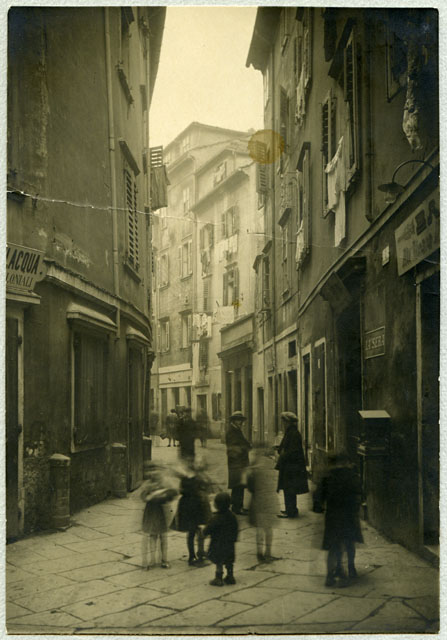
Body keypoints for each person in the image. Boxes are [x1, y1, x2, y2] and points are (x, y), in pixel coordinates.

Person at [313, 452, 363, 587]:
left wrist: (320, 507)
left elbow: (317, 499)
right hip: (349, 515)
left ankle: (330, 576)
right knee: (349, 543)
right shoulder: (351, 476)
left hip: (333, 516)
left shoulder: (327, 477)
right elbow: (359, 493)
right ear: (345, 462)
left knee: (333, 546)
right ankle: (350, 568)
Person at [171, 459, 212, 565]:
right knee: (193, 531)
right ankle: (193, 555)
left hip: (195, 506)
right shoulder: (192, 478)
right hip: (191, 507)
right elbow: (183, 490)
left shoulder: (198, 477)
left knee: (197, 531)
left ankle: (198, 553)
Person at [140, 464, 178, 570]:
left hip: (163, 511)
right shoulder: (148, 484)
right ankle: (152, 559)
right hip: (152, 511)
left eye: (157, 470)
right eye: (152, 471)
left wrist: (164, 495)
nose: (155, 473)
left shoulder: (165, 483)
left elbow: (174, 493)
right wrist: (149, 496)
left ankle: (164, 559)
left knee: (163, 536)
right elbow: (143, 496)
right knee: (152, 535)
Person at [246, 445, 280, 562]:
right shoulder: (273, 465)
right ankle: (268, 553)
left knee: (260, 528)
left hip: (258, 500)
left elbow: (250, 487)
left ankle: (259, 553)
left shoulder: (254, 469)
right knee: (269, 528)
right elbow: (277, 484)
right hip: (270, 500)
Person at [275, 412, 309, 518]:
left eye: (284, 422)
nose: (283, 424)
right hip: (289, 466)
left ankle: (291, 511)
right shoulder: (290, 432)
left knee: (289, 489)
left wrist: (283, 455)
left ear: (288, 422)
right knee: (289, 489)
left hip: (292, 467)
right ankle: (291, 509)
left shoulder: (293, 433)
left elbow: (293, 451)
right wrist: (279, 449)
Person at [203, 492, 239, 586]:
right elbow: (235, 529)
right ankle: (230, 576)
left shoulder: (216, 518)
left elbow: (208, 529)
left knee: (219, 561)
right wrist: (234, 539)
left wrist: (204, 532)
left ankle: (218, 578)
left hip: (217, 544)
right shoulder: (232, 516)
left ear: (216, 505)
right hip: (230, 544)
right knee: (229, 561)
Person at [226, 411, 251, 514]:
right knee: (238, 485)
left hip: (238, 462)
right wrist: (246, 447)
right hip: (237, 462)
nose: (240, 422)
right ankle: (237, 507)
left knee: (238, 485)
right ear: (233, 421)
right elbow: (234, 447)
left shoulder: (237, 430)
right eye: (238, 420)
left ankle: (236, 505)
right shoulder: (232, 432)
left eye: (241, 420)